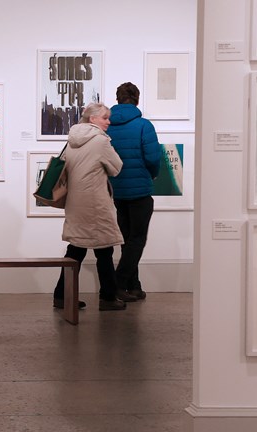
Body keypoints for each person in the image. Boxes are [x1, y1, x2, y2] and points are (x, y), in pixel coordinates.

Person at [53, 102, 127, 311]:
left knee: (76, 247)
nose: (108, 122)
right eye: (105, 117)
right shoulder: (100, 141)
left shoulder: (72, 140)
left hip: (76, 202)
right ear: (92, 119)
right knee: (104, 248)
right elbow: (116, 168)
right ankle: (109, 298)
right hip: (95, 202)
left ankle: (61, 296)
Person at [107, 82, 162, 301]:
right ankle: (119, 284)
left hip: (117, 190)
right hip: (140, 189)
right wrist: (153, 174)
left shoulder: (108, 125)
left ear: (118, 99)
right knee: (137, 239)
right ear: (137, 99)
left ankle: (134, 286)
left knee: (127, 239)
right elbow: (152, 157)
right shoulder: (143, 125)